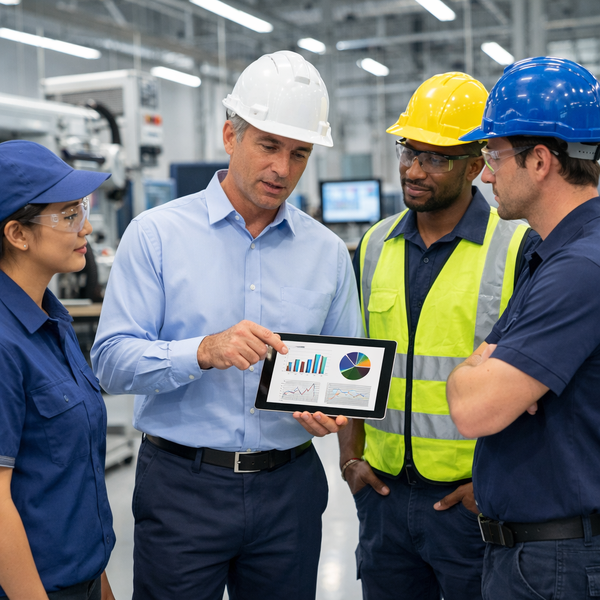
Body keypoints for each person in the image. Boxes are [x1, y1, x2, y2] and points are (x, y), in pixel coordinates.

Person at [91, 50, 362, 600]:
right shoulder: (155, 235)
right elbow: (110, 362)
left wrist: (331, 407)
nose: (282, 168)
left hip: (291, 487)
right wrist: (202, 351)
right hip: (182, 488)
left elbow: (347, 368)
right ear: (230, 135)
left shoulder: (328, 253)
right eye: (268, 145)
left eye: (299, 153)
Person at [338, 72, 537, 600]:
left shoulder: (516, 247)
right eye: (409, 152)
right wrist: (349, 456)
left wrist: (492, 489)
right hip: (381, 500)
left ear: (477, 165)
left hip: (468, 507)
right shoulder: (375, 244)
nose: (414, 170)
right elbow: (355, 354)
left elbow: (537, 383)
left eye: (437, 158)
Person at [447, 56, 600, 600]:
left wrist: (480, 369)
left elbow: (473, 407)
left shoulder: (582, 269)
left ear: (539, 161)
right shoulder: (546, 251)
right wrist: (492, 371)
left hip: (560, 562)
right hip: (531, 554)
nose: (485, 173)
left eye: (493, 154)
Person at [0, 141, 115, 599]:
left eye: (81, 210)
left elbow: (72, 484)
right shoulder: (5, 344)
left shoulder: (52, 319)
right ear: (18, 234)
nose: (86, 227)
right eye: (68, 216)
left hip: (83, 580)